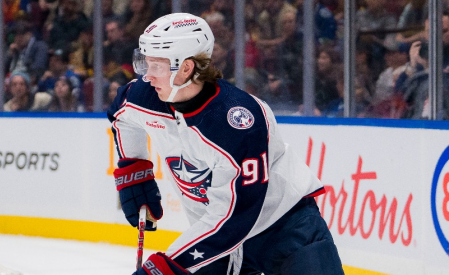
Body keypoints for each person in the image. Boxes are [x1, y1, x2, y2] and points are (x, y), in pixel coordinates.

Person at [107, 13, 343, 275]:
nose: (147, 76)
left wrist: (167, 268)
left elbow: (234, 218)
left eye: (157, 66)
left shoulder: (238, 122)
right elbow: (121, 114)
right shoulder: (146, 95)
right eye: (145, 63)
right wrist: (134, 169)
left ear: (186, 68)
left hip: (285, 228)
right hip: (215, 242)